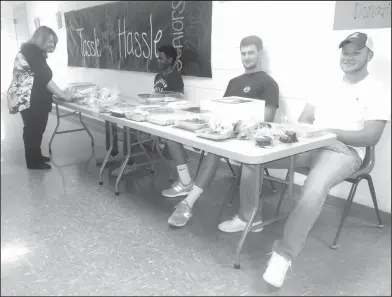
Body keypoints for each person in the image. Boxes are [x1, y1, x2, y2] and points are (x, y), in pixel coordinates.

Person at [219, 32, 390, 288]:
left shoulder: (378, 89)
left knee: (313, 188)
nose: (349, 57)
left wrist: (330, 133)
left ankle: (282, 255)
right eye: (346, 52)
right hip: (311, 143)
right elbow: (307, 118)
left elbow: (371, 136)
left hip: (344, 151)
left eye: (357, 52)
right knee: (254, 157)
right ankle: (248, 218)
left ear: (370, 55)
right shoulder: (327, 83)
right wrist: (307, 134)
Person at [162, 35, 279, 228]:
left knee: (213, 149)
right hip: (223, 131)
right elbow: (221, 109)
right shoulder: (234, 81)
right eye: (243, 53)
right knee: (173, 132)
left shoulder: (268, 83)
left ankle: (188, 202)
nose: (247, 57)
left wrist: (236, 124)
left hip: (246, 138)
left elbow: (267, 119)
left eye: (251, 53)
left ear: (259, 54)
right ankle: (185, 181)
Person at [106, 45, 184, 176]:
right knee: (119, 118)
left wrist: (158, 101)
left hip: (163, 117)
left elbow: (178, 101)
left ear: (170, 60)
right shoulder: (158, 76)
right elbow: (156, 96)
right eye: (157, 58)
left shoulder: (176, 77)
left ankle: (129, 163)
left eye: (161, 58)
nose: (157, 61)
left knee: (129, 129)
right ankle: (113, 154)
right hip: (153, 112)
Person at [7, 26, 72, 170]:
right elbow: (45, 78)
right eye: (49, 42)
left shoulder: (31, 51)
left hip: (28, 97)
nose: (52, 45)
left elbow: (39, 77)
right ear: (40, 39)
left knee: (35, 129)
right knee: (33, 129)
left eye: (54, 43)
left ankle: (35, 156)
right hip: (30, 99)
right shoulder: (33, 53)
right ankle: (33, 162)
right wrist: (62, 94)